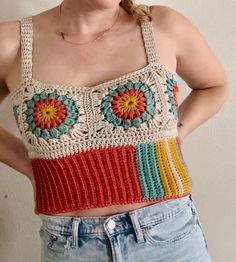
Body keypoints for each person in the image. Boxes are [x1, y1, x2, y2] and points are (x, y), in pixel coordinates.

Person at [0, 0, 227, 261]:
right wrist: (30, 165)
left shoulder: (159, 25)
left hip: (169, 237)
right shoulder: (13, 42)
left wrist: (177, 132)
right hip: (70, 246)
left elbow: (213, 86)